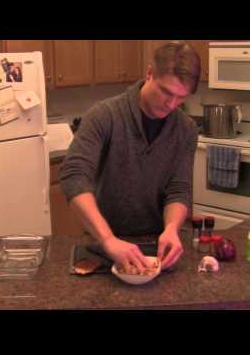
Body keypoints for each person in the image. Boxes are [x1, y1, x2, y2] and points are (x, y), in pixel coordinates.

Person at [59, 41, 201, 273]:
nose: (171, 104)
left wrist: (172, 228)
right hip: (104, 242)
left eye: (181, 98)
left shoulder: (186, 129)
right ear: (149, 73)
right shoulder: (104, 115)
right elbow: (74, 176)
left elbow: (179, 188)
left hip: (158, 244)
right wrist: (107, 239)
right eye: (166, 92)